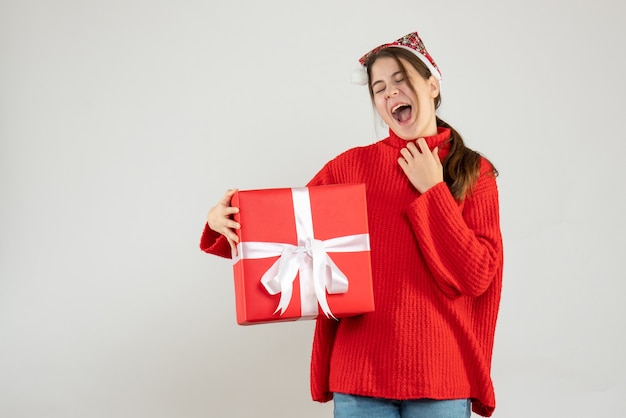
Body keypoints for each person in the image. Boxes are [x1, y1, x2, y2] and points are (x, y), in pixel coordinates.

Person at [201, 31, 503, 418]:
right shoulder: (350, 168)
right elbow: (279, 236)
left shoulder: (475, 173)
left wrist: (433, 190)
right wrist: (221, 221)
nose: (390, 93)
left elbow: (477, 276)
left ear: (431, 84)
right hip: (360, 373)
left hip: (441, 375)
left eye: (400, 79)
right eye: (379, 88)